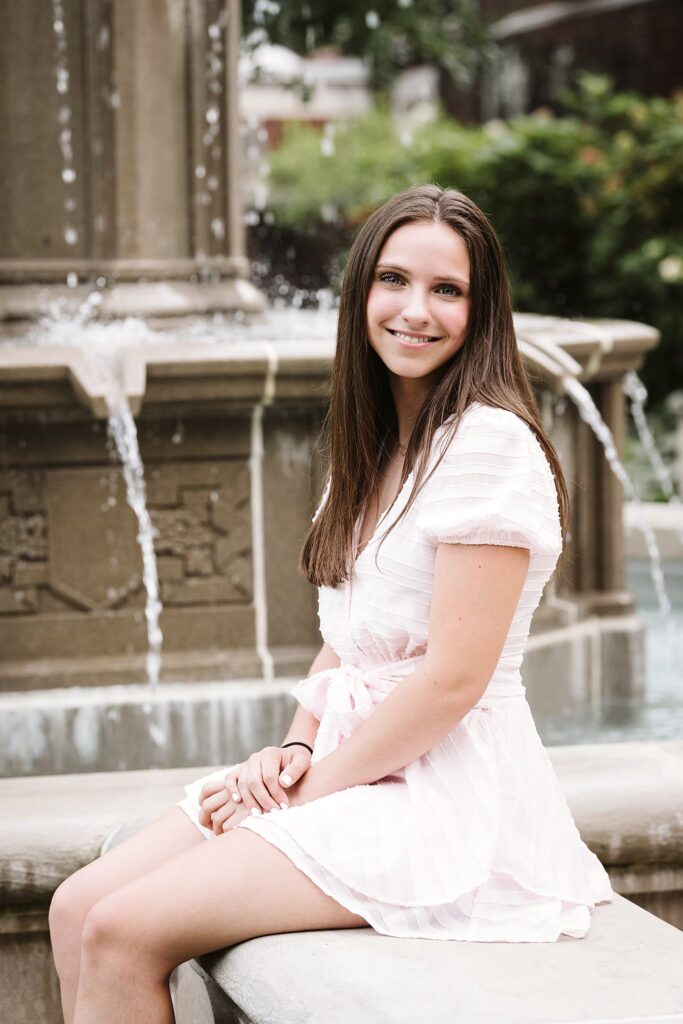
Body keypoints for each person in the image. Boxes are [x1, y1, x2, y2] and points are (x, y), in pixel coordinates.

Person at [49, 184, 613, 1023]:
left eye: (446, 290)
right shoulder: (377, 448)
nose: (414, 310)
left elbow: (451, 682)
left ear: (482, 310)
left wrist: (304, 796)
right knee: (73, 908)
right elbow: (349, 643)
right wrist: (289, 748)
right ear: (359, 294)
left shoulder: (488, 446)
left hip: (444, 797)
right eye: (393, 280)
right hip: (354, 767)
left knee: (125, 930)